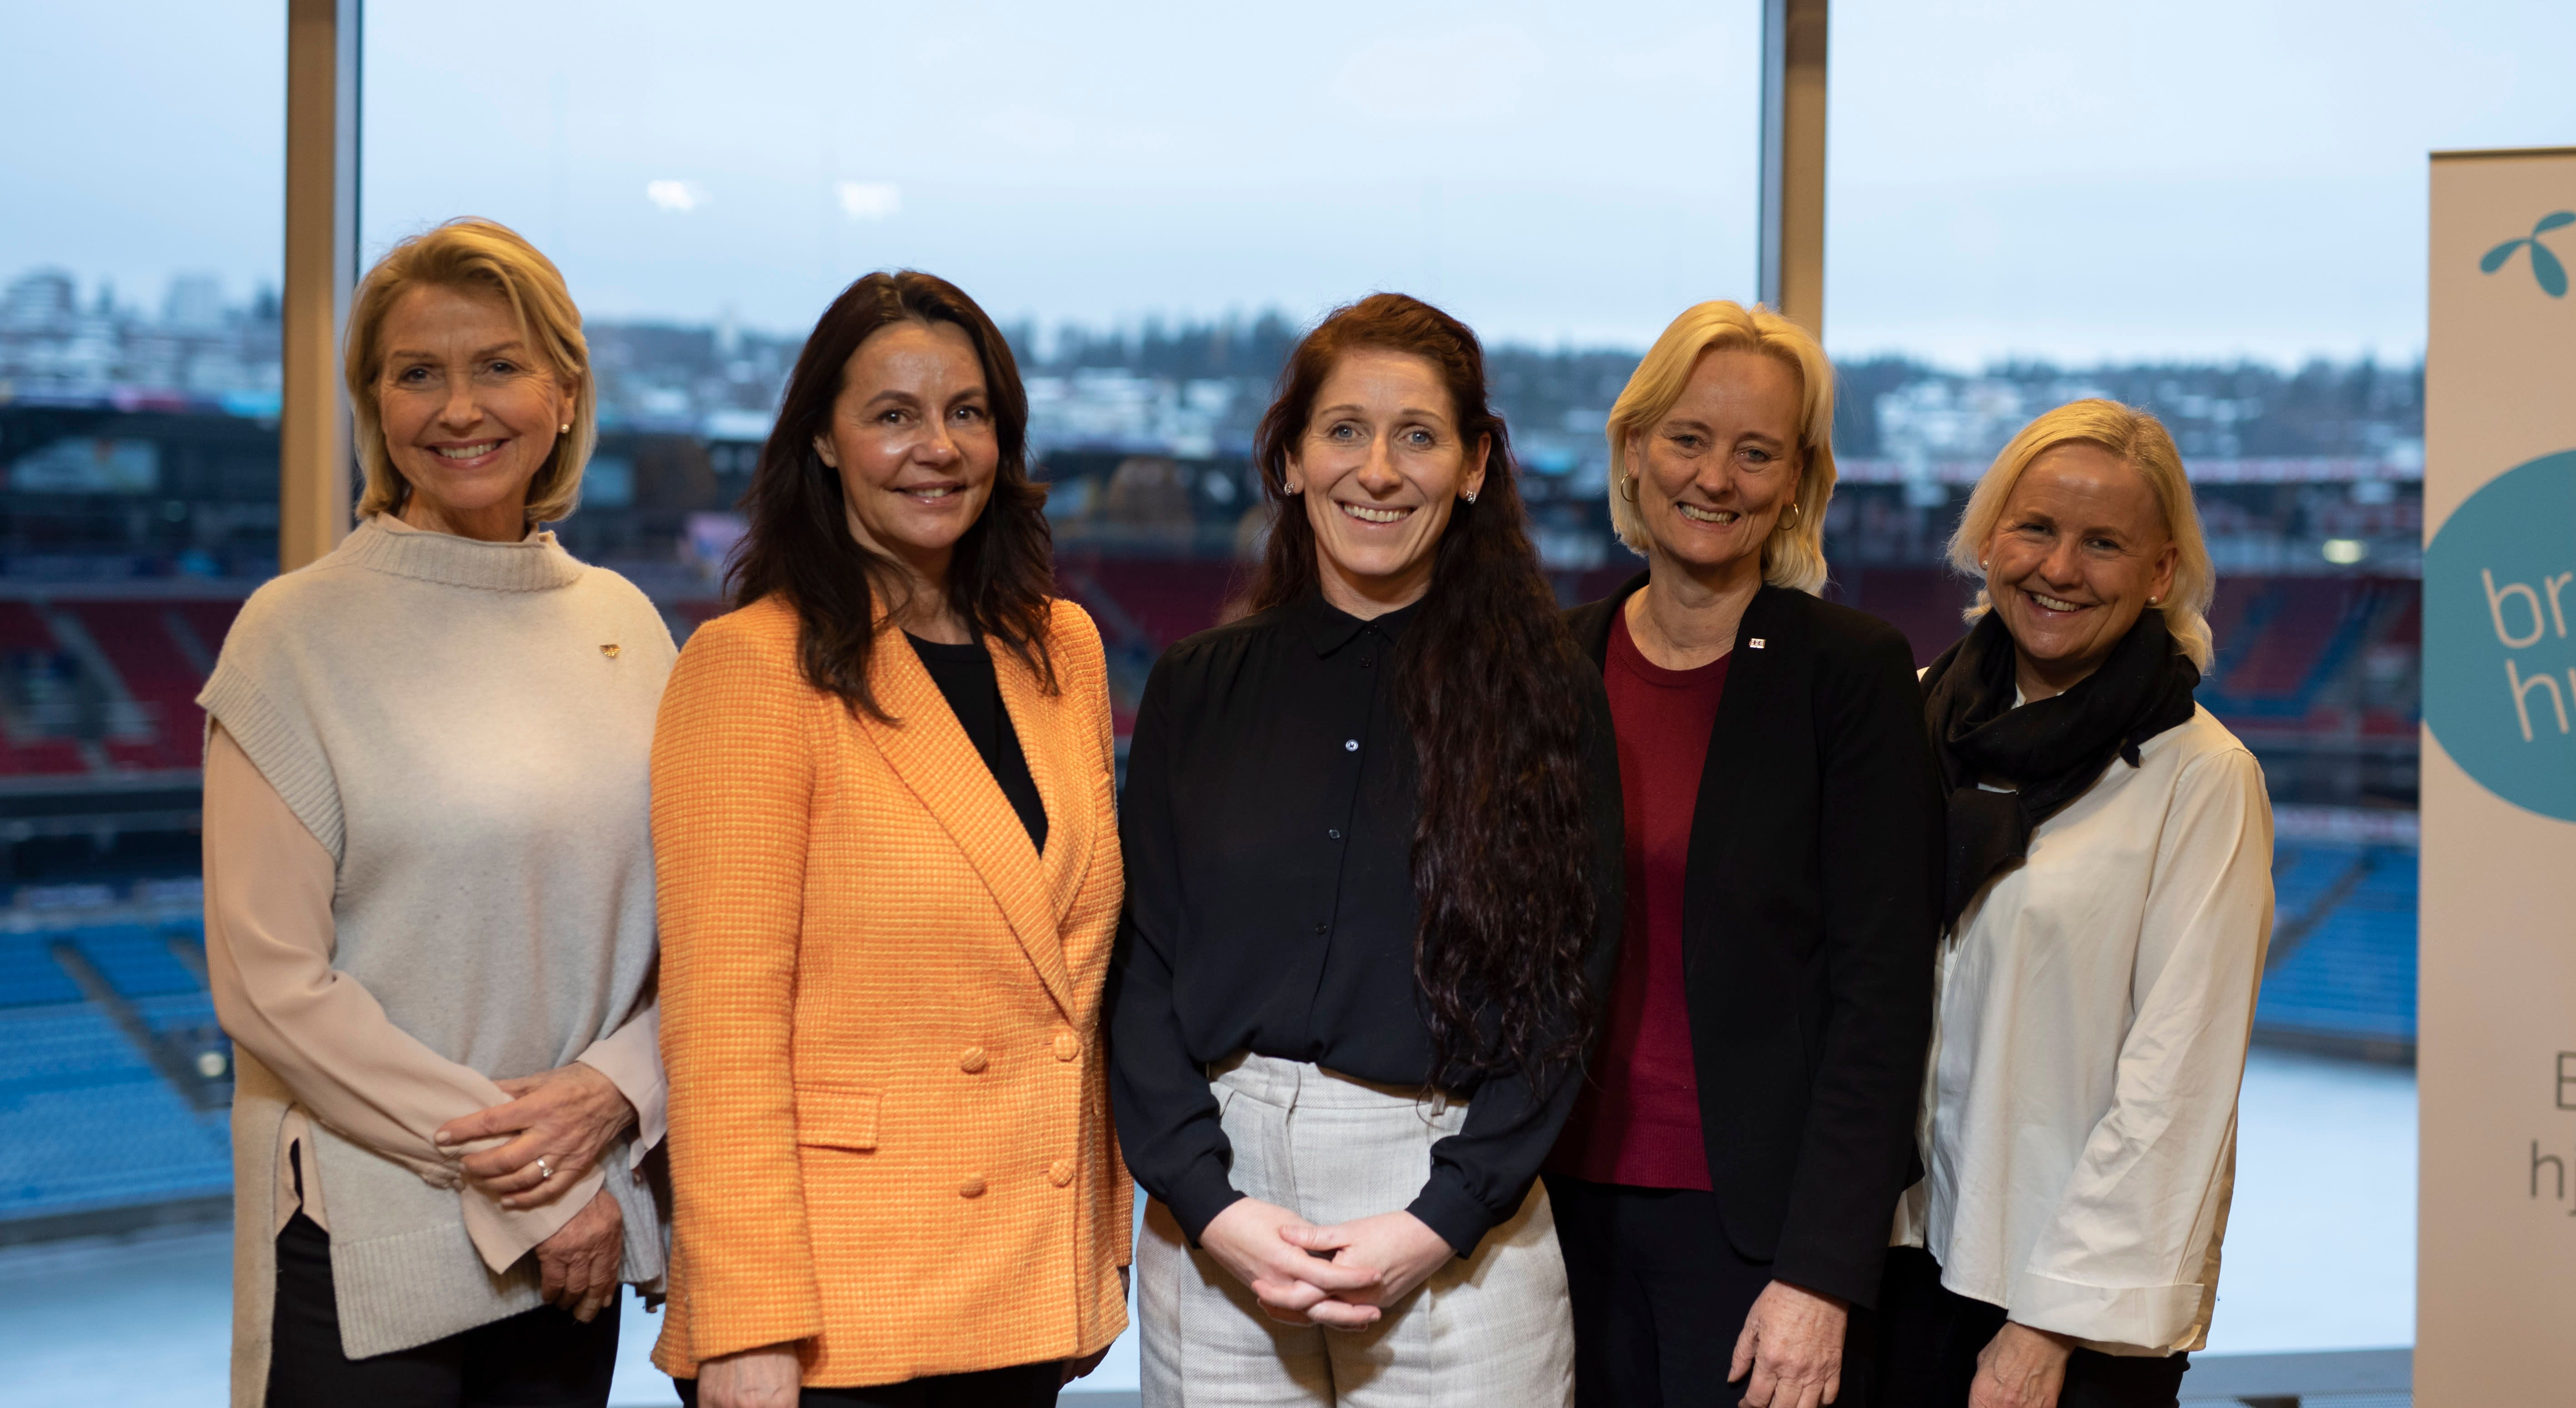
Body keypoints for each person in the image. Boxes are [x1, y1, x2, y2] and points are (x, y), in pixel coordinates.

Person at [1108, 292, 1623, 1407]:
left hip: (1452, 1213)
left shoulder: (1548, 692)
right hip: (1223, 1204)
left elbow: (1565, 992)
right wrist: (1212, 1204)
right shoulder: (1200, 684)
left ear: (1475, 466)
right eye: (1343, 430)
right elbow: (1140, 964)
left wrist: (1437, 1221)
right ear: (1290, 459)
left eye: (1418, 435)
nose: (1377, 471)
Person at [200, 217, 670, 1408]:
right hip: (373, 1238)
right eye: (418, 374)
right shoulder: (293, 634)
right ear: (376, 407)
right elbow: (271, 986)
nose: (460, 408)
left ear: (564, 394)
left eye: (498, 366)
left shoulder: (628, 628)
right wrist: (542, 1182)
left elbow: (699, 936)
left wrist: (623, 1087)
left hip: (582, 1232)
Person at [651, 271, 1131, 1408]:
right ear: (822, 438)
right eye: (893, 414)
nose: (938, 447)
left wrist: (1093, 1248)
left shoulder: (1059, 647)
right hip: (832, 1311)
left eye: (967, 411)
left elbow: (1076, 983)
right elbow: (722, 1029)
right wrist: (746, 1324)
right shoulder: (751, 665)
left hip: (1024, 1274)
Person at [1546, 301, 1942, 1408]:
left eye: (1755, 450)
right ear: (1633, 449)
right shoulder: (1552, 655)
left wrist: (1820, 1274)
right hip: (1548, 1221)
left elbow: (1881, 998)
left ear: (1797, 479)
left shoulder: (1849, 672)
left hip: (1751, 1241)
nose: (1714, 477)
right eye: (1687, 437)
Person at [1875, 400, 2274, 1408]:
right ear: (1987, 537)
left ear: (2161, 572)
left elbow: (2174, 1086)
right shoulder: (1910, 714)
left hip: (2055, 1313)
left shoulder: (2202, 777)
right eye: (2036, 528)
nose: (2058, 568)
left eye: (2103, 543)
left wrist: (2043, 1328)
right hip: (1889, 1265)